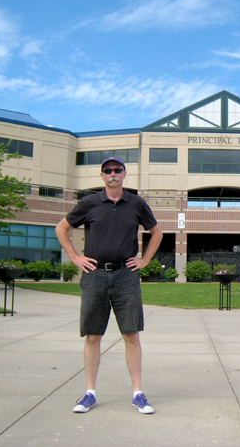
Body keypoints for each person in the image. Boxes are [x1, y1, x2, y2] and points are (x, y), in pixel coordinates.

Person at [55, 156, 163, 414]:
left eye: (117, 170)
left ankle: (138, 394)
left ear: (124, 174)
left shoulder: (136, 203)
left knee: (131, 334)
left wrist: (145, 260)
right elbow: (62, 228)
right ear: (102, 176)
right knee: (93, 335)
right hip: (95, 275)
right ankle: (90, 393)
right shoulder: (89, 203)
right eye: (107, 171)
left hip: (126, 275)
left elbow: (157, 232)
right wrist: (75, 257)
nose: (112, 174)